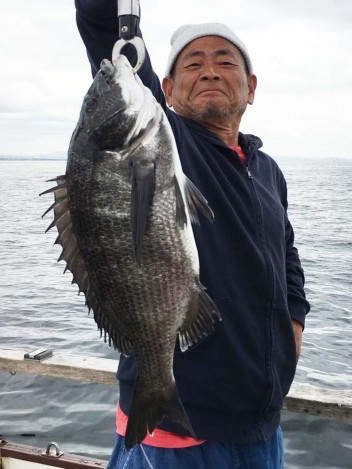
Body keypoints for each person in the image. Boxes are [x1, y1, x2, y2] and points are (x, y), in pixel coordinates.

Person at [75, 1, 310, 468]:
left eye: (226, 61)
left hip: (261, 426)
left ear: (251, 87)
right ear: (164, 89)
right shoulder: (166, 141)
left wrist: (291, 331)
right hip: (175, 435)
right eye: (193, 63)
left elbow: (287, 259)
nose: (210, 71)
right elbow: (106, 35)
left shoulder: (267, 171)